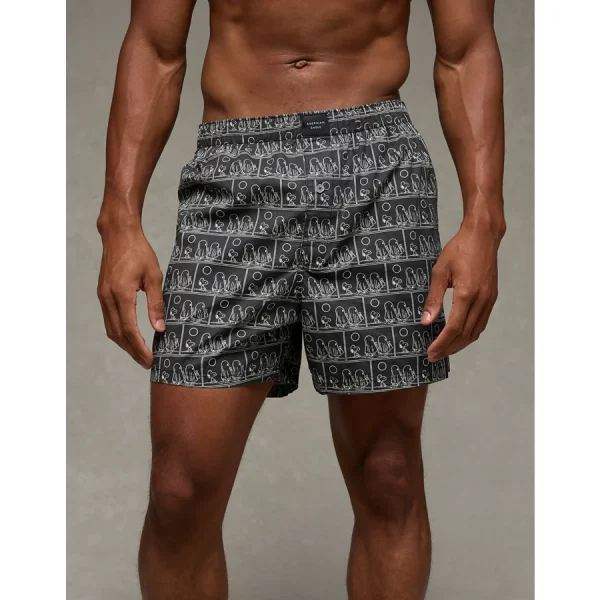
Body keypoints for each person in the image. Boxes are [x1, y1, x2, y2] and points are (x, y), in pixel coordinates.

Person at [96, 0, 506, 598]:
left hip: (377, 166)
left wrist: (483, 222)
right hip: (233, 167)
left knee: (388, 472)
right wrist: (119, 221)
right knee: (179, 488)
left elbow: (466, 49)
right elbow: (154, 47)